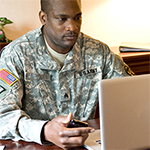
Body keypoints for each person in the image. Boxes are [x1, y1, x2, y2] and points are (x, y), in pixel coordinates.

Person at [0, 0, 134, 149]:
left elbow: (132, 97)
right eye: (62, 19)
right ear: (44, 18)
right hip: (35, 146)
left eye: (77, 17)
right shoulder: (15, 55)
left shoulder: (99, 52)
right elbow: (2, 117)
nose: (72, 27)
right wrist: (44, 130)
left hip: (85, 144)